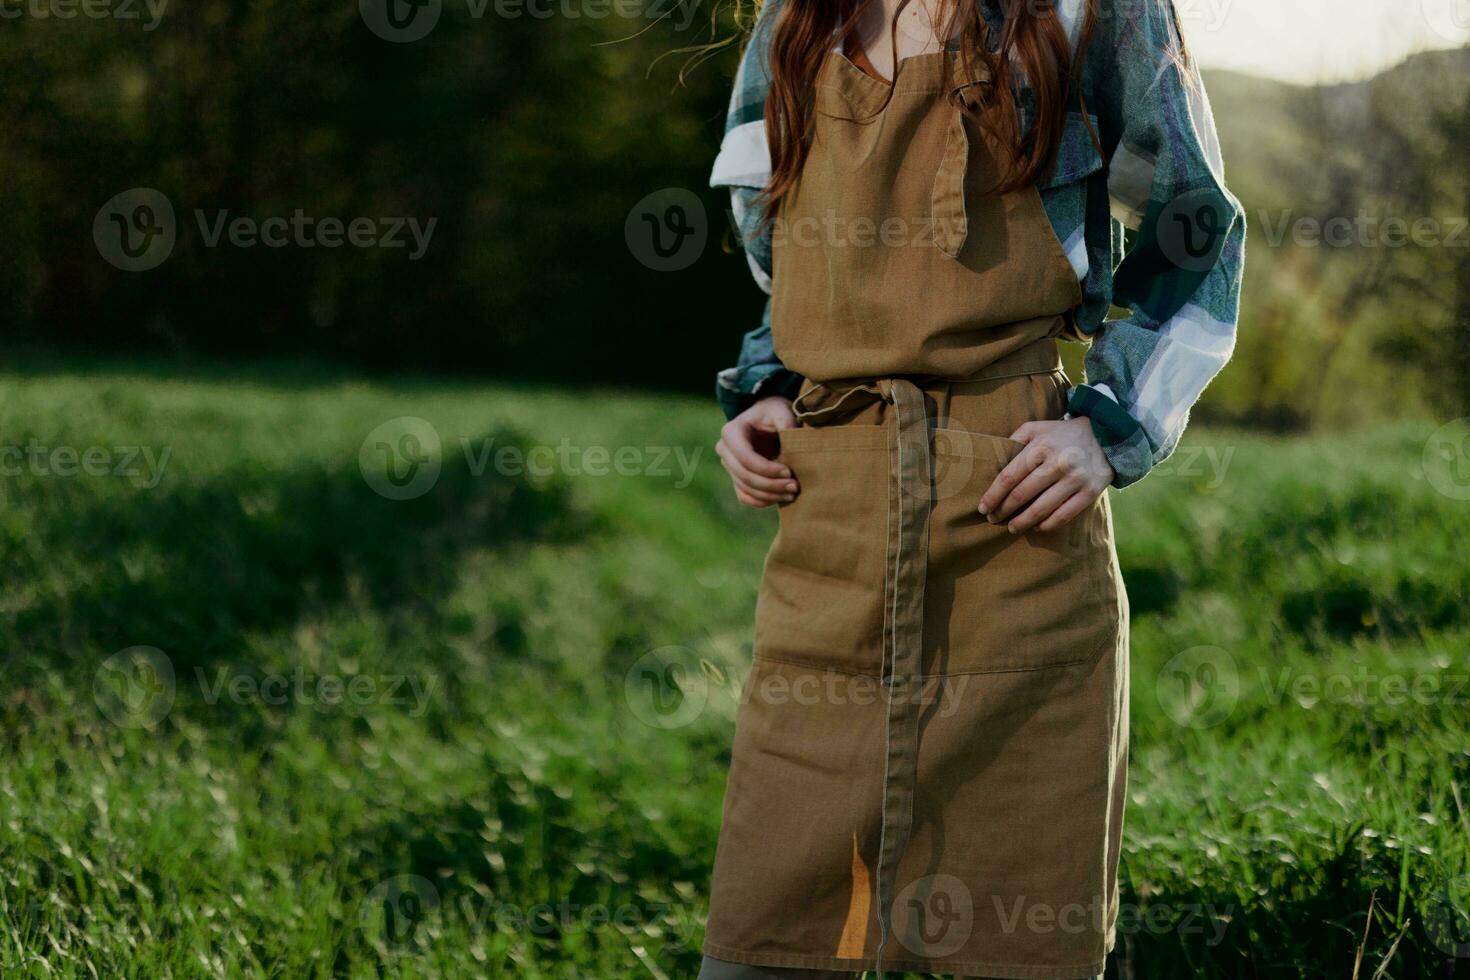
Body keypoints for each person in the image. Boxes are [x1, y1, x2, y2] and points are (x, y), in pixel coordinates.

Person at [702, 0, 1244, 977]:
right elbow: (775, 230)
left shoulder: (1095, 11)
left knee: (1017, 941)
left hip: (1019, 546)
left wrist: (1110, 424)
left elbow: (1197, 232)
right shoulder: (792, 19)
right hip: (829, 542)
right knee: (766, 939)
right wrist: (769, 385)